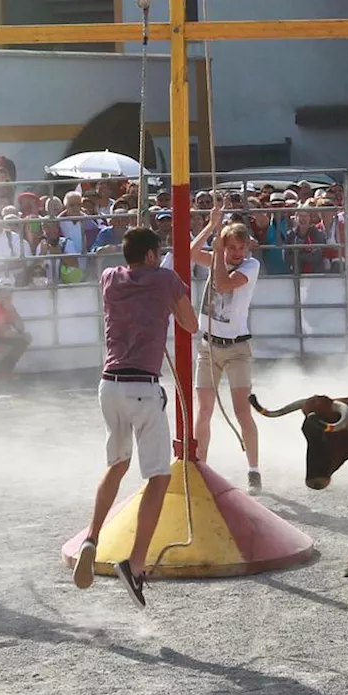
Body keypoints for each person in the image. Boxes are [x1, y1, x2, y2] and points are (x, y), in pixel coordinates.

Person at [72, 227, 198, 609]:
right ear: (148, 255)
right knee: (159, 476)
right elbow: (190, 324)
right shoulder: (165, 279)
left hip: (108, 385)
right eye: (158, 252)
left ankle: (92, 537)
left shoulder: (109, 278)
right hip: (142, 386)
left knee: (117, 464)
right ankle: (137, 562)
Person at [189, 203, 264, 493]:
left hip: (236, 349)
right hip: (209, 346)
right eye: (231, 246)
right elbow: (191, 254)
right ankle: (200, 466)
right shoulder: (219, 257)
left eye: (240, 247)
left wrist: (218, 251)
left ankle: (254, 469)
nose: (236, 252)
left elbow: (222, 283)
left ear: (247, 249)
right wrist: (210, 227)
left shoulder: (250, 267)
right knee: (204, 409)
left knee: (241, 411)